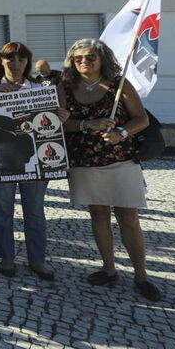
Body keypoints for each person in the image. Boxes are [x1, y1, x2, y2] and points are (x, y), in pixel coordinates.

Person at [61, 39, 161, 301]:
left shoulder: (119, 85)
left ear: (102, 58)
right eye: (78, 58)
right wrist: (88, 124)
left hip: (121, 161)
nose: (84, 61)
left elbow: (142, 119)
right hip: (84, 163)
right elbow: (60, 124)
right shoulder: (65, 87)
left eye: (91, 57)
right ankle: (109, 268)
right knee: (98, 214)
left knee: (128, 217)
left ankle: (141, 275)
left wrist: (122, 132)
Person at [0, 42, 64, 280]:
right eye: (9, 58)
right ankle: (7, 258)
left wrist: (63, 115)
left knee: (34, 211)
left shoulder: (39, 88)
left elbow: (55, 116)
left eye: (21, 59)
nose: (15, 63)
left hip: (34, 156)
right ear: (1, 61)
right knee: (3, 209)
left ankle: (37, 260)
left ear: (27, 63)